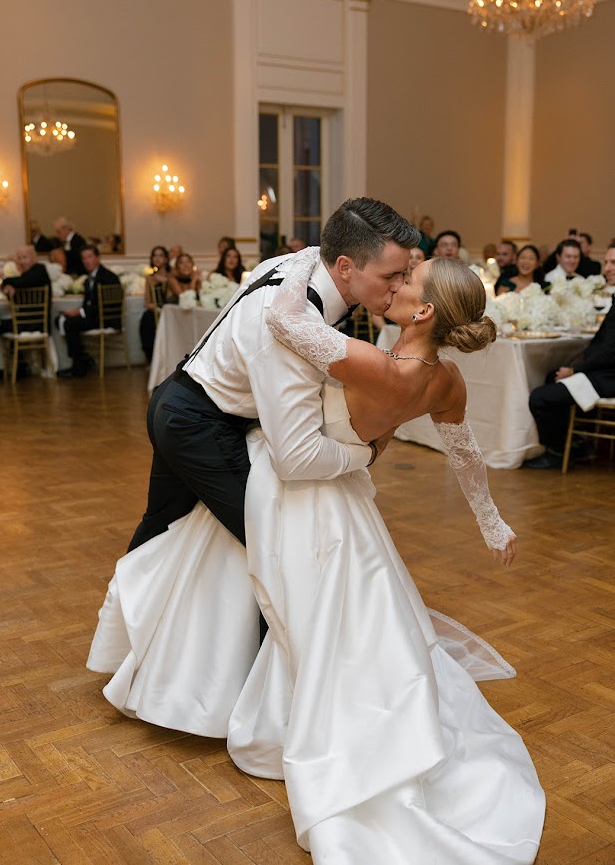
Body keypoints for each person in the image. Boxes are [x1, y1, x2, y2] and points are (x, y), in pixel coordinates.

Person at [88, 248, 544, 863]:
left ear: (425, 308)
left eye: (408, 280)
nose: (398, 281)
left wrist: (315, 256)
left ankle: (241, 698)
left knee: (297, 605)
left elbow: (283, 320)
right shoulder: (446, 380)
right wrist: (492, 523)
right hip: (348, 500)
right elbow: (465, 456)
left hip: (298, 490)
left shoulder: (374, 364)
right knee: (343, 612)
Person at [124, 197, 417, 555]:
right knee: (279, 551)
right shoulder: (293, 327)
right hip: (199, 425)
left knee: (160, 534)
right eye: (391, 276)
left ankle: (132, 611)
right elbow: (296, 459)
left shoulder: (303, 263)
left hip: (176, 399)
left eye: (404, 274)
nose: (400, 287)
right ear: (344, 266)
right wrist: (366, 455)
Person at [523, 243, 615, 469]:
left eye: (613, 263)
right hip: (604, 371)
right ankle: (575, 444)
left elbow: (610, 352)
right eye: (606, 262)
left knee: (539, 397)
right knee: (551, 377)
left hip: (609, 378)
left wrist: (575, 370)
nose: (607, 268)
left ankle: (557, 452)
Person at [57, 245, 120, 378]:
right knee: (59, 319)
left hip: (106, 318)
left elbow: (107, 305)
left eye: (90, 257)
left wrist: (80, 312)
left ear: (98, 258)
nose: (87, 261)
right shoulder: (89, 278)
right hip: (94, 316)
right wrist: (79, 311)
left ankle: (78, 365)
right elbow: (88, 302)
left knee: (70, 323)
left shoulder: (108, 277)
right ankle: (83, 358)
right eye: (84, 258)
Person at [139, 246, 170, 363]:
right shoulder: (150, 278)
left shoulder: (171, 276)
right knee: (147, 318)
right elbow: (147, 302)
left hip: (171, 310)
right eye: (154, 256)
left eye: (160, 255)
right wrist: (157, 309)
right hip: (156, 311)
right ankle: (151, 359)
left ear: (166, 259)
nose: (157, 258)